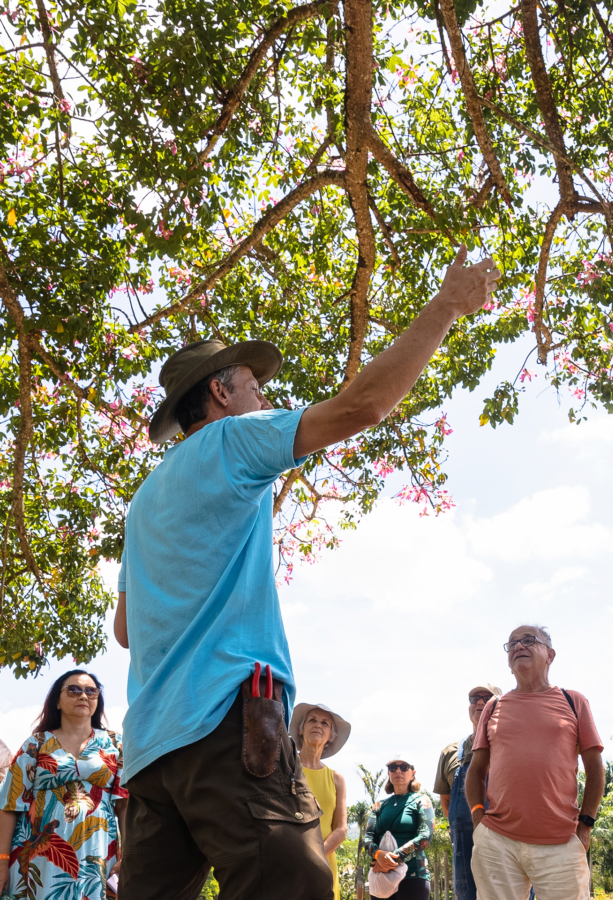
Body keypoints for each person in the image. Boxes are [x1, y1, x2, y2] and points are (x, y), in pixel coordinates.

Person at [112, 246, 500, 900]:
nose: (262, 394)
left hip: (150, 751)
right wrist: (445, 307)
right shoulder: (232, 439)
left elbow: (126, 629)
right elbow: (361, 408)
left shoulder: (143, 501)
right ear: (218, 391)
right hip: (221, 725)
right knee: (291, 882)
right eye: (251, 383)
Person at [466, 625, 605, 900]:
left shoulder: (573, 700)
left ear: (550, 655)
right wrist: (478, 817)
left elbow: (595, 767)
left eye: (528, 640)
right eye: (512, 644)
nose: (518, 646)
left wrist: (586, 824)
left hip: (561, 841)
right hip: (497, 841)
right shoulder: (493, 707)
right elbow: (477, 770)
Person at [0, 670, 128, 900]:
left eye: (91, 691)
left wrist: (128, 855)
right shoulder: (35, 744)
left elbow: (125, 806)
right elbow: (10, 805)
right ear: (57, 701)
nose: (83, 696)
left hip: (97, 858)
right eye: (74, 689)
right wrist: (1, 860)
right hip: (37, 855)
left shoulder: (114, 743)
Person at [434, 683, 502, 900]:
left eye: (486, 697)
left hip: (506, 837)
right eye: (474, 699)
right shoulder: (451, 752)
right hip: (466, 843)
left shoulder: (511, 744)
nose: (479, 702)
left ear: (500, 705)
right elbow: (447, 801)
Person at [290, 704, 350, 900]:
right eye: (312, 720)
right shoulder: (285, 768)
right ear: (300, 728)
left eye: (325, 723)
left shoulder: (336, 779)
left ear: (331, 735)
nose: (318, 725)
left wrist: (317, 857)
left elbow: (340, 828)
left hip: (324, 863)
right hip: (288, 861)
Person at [365, 755, 435, 900]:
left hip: (414, 877)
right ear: (389, 774)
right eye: (393, 768)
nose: (398, 771)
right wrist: (379, 855)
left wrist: (391, 859)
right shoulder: (379, 806)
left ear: (413, 774)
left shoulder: (422, 800)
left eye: (403, 767)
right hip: (382, 878)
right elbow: (367, 838)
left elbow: (425, 836)